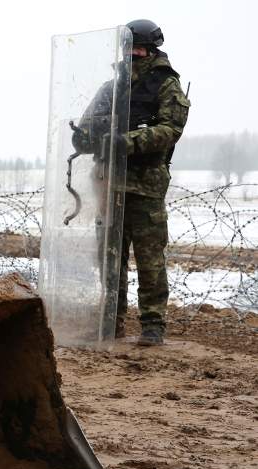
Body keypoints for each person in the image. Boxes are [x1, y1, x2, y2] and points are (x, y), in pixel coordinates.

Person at [116, 19, 190, 346]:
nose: (133, 54)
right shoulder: (114, 84)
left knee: (149, 263)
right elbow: (91, 122)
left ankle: (152, 326)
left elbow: (170, 130)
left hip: (146, 186)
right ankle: (110, 322)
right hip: (110, 186)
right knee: (109, 264)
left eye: (138, 48)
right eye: (128, 49)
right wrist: (87, 137)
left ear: (151, 48)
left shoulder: (166, 84)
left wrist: (126, 142)